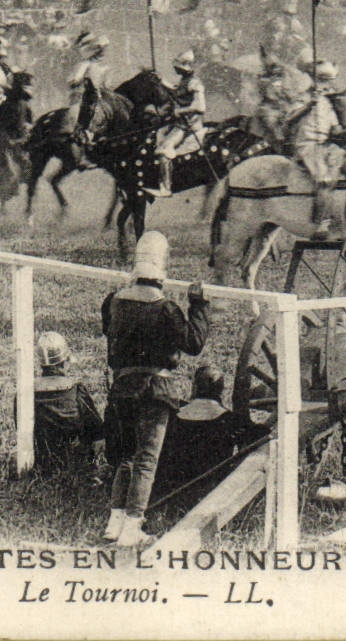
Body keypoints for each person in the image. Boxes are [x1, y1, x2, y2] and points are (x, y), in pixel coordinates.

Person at [102, 231, 209, 547]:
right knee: (147, 459)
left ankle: (115, 521)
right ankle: (134, 526)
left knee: (125, 456)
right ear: (162, 270)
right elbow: (194, 343)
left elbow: (108, 327)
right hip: (154, 390)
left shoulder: (114, 301)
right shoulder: (166, 309)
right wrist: (199, 305)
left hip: (121, 387)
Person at [155, 365, 251, 504]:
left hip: (171, 487)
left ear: (194, 387)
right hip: (211, 489)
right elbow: (258, 437)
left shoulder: (173, 415)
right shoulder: (230, 419)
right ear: (221, 390)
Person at [29, 331, 105, 475]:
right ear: (64, 362)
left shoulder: (27, 393)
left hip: (41, 460)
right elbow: (96, 429)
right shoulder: (75, 389)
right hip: (76, 462)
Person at [290, 60, 344, 238]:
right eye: (323, 81)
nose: (327, 86)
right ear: (315, 80)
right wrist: (308, 105)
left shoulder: (328, 102)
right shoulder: (304, 96)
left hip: (325, 144)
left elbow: (336, 127)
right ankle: (320, 223)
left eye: (328, 82)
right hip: (307, 144)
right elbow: (289, 119)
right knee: (324, 179)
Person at [151, 50, 207, 197]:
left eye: (177, 66)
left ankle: (166, 187)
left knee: (164, 149)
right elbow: (175, 91)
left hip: (188, 125)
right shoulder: (184, 81)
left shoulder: (194, 83)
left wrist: (180, 111)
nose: (174, 68)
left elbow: (200, 107)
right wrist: (160, 80)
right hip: (180, 123)